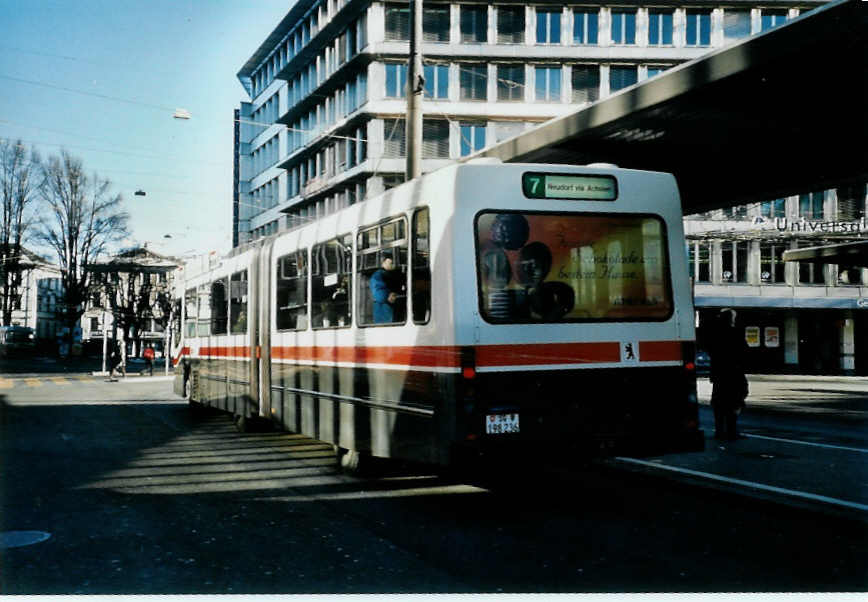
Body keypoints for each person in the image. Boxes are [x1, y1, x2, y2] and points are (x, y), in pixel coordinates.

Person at [709, 308, 749, 441]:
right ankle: (731, 431)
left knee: (719, 404)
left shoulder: (715, 334)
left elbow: (712, 353)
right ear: (731, 319)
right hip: (733, 373)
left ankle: (719, 431)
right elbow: (744, 352)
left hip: (719, 374)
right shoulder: (735, 333)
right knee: (734, 401)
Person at [370, 257, 398, 323]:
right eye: (390, 263)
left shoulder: (389, 274)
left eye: (393, 263)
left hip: (387, 308)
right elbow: (378, 294)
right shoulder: (378, 275)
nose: (392, 265)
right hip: (382, 308)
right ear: (383, 263)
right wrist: (389, 296)